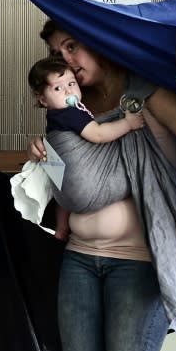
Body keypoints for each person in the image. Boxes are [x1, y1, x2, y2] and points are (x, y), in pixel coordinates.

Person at [28, 19, 176, 351]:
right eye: (57, 53)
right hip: (79, 259)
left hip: (138, 261)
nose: (66, 59)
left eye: (71, 46)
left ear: (98, 40)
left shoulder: (141, 92)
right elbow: (68, 180)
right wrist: (43, 152)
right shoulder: (70, 108)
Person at [27, 57, 145, 240]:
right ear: (42, 99)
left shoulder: (55, 115)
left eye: (72, 83)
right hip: (83, 190)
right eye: (58, 88)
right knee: (69, 176)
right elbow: (98, 135)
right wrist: (128, 124)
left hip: (65, 194)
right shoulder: (71, 113)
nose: (68, 91)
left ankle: (61, 227)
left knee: (62, 180)